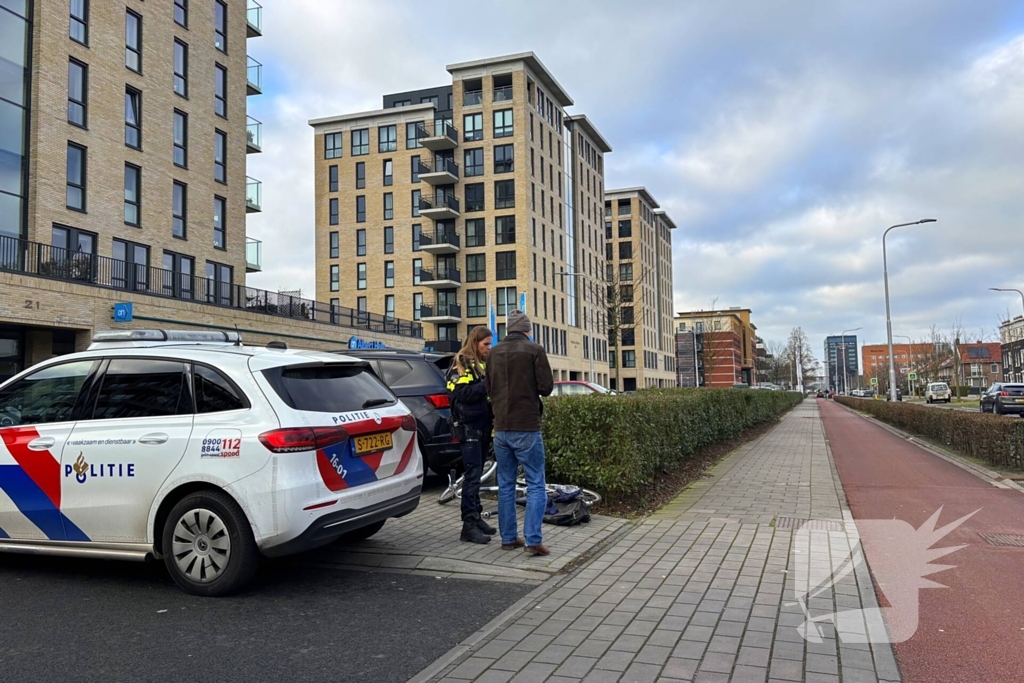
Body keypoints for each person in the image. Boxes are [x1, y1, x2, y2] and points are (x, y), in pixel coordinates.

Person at [485, 310, 554, 556]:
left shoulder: (492, 352)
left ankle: (508, 538)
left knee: (505, 484)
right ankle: (533, 540)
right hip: (526, 425)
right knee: (536, 483)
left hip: (501, 426)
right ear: (527, 329)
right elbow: (546, 388)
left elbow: (489, 388)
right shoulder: (535, 350)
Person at [446, 326, 496, 544]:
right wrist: (487, 385)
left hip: (484, 426)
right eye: (485, 344)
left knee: (477, 474)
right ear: (475, 342)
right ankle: (468, 526)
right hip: (469, 427)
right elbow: (461, 393)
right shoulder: (461, 363)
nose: (489, 348)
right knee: (472, 477)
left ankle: (477, 518)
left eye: (490, 344)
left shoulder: (482, 364)